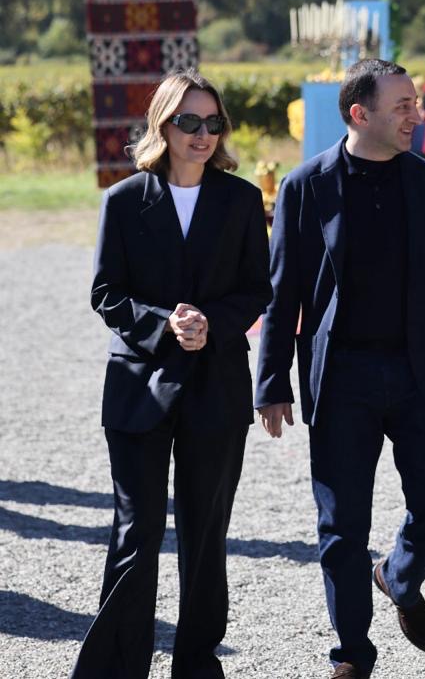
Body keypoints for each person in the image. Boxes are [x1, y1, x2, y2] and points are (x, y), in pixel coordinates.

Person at [254, 58, 425, 679]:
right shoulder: (304, 186)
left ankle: (397, 576)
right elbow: (283, 294)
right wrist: (272, 382)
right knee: (341, 525)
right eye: (403, 106)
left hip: (421, 372)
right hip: (342, 378)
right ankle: (352, 656)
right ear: (360, 114)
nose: (416, 114)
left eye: (415, 102)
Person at [72, 69, 272, 678]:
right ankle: (116, 669)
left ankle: (196, 666)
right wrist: (164, 324)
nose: (202, 134)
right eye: (189, 122)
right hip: (139, 388)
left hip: (217, 387)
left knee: (205, 534)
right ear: (163, 125)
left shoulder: (242, 200)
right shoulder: (122, 200)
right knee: (137, 532)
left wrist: (212, 323)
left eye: (213, 122)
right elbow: (106, 292)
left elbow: (256, 289)